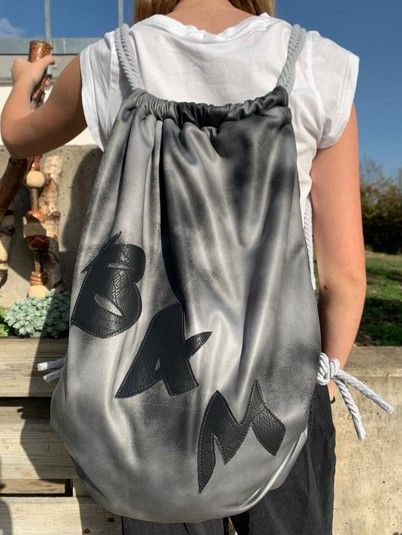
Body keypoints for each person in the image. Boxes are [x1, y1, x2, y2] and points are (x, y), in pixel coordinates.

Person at [1, 0, 365, 533]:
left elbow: (17, 134)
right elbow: (344, 276)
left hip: (146, 393)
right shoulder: (317, 62)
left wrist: (23, 80)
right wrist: (323, 378)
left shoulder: (109, 60)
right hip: (278, 380)